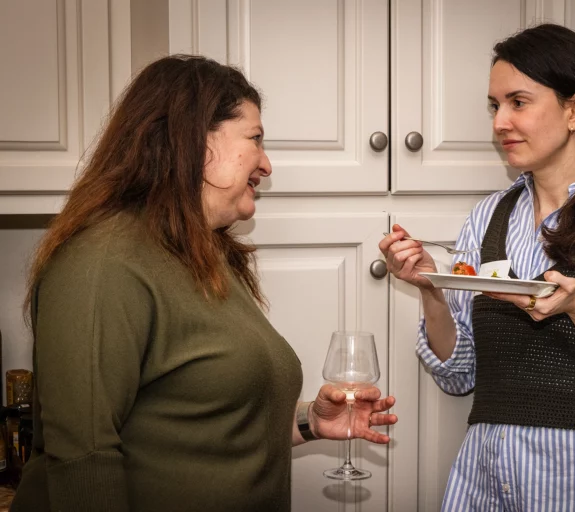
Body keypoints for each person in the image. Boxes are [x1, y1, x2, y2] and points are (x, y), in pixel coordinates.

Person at [11, 55, 397, 512]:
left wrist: (310, 421)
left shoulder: (204, 253)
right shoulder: (102, 261)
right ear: (194, 140)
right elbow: (82, 457)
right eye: (255, 139)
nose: (267, 164)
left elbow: (201, 425)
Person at [380, 23, 575, 511]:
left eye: (518, 103)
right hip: (487, 478)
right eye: (494, 105)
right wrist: (429, 290)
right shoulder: (488, 218)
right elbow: (459, 373)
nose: (500, 122)